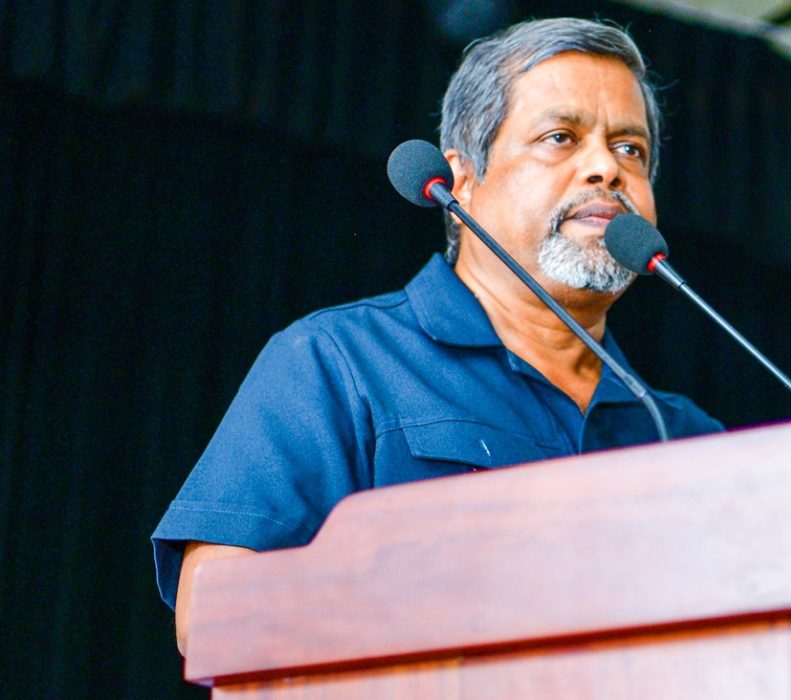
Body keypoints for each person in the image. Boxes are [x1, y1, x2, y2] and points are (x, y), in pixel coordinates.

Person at [151, 18, 722, 653]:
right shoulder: (340, 362)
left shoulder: (689, 439)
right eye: (561, 138)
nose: (605, 169)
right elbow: (216, 615)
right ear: (463, 179)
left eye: (630, 149)